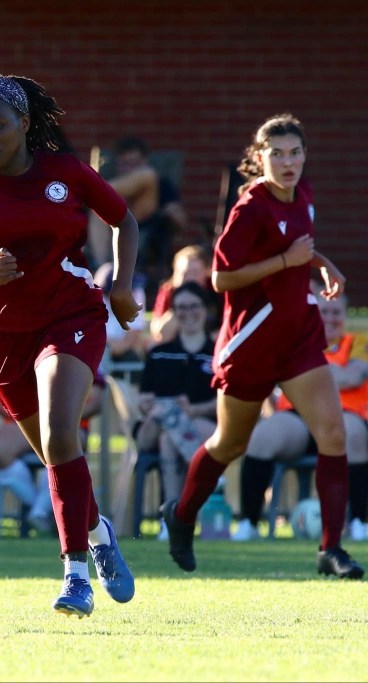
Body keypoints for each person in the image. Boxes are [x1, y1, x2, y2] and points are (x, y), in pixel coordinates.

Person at [0, 74, 139, 617]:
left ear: (23, 123)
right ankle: (97, 531)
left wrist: (121, 286)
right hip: (1, 336)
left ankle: (75, 578)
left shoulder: (65, 172)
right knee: (55, 454)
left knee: (60, 433)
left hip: (70, 315)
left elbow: (124, 220)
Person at [160, 113, 364, 580]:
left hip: (298, 338)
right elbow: (220, 278)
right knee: (230, 443)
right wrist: (287, 261)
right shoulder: (249, 208)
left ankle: (330, 548)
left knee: (333, 434)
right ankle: (182, 515)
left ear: (304, 156)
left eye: (295, 153)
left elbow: (296, 247)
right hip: (250, 343)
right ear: (259, 157)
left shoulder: (303, 193)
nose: (287, 162)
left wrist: (322, 264)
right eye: (277, 154)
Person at [232, 292, 368, 543]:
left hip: (344, 413)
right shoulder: (296, 341)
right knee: (262, 436)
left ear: (344, 315)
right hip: (299, 416)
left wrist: (305, 373)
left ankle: (359, 522)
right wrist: (332, 373)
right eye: (324, 312)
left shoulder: (357, 341)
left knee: (354, 434)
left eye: (336, 312)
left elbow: (353, 376)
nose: (330, 318)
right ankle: (248, 523)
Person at [135, 282, 217, 515]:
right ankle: (206, 490)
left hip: (202, 425)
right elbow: (144, 399)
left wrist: (194, 410)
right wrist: (150, 405)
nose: (188, 313)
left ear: (206, 309)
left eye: (194, 306)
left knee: (168, 438)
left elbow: (223, 401)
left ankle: (171, 515)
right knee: (166, 416)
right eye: (181, 307)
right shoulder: (159, 353)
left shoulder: (217, 354)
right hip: (152, 429)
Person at [0, 378, 104, 537]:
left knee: (61, 450)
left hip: (68, 424)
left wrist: (59, 416)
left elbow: (95, 402)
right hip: (21, 421)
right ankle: (42, 510)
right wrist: (32, 416)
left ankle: (42, 511)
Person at [88, 136, 187, 287]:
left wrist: (169, 214)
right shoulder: (113, 180)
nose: (129, 169)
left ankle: (99, 189)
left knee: (147, 176)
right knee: (98, 207)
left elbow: (179, 219)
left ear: (144, 161)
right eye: (123, 164)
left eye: (133, 164)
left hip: (144, 232)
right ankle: (104, 269)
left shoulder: (160, 184)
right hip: (110, 237)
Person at [148, 245, 216, 346]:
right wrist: (180, 305)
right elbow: (159, 331)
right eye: (184, 273)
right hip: (177, 342)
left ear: (207, 272)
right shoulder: (169, 290)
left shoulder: (216, 290)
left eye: (195, 272)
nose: (190, 278)